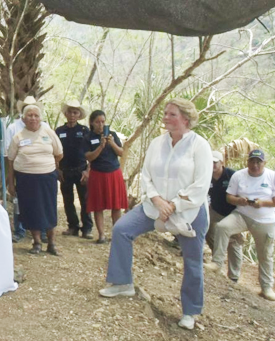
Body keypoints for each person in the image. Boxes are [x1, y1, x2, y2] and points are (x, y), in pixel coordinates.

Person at [100, 99, 212, 330]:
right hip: (154, 207)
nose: (165, 118)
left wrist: (173, 205)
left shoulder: (199, 145)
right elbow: (147, 175)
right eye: (165, 113)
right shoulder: (156, 143)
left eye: (171, 114)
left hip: (188, 212)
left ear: (185, 119)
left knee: (192, 261)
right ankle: (122, 283)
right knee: (122, 230)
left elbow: (201, 185)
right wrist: (158, 200)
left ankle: (190, 312)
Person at [206, 150, 275, 301]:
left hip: (265, 219)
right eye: (252, 161)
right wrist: (239, 201)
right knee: (222, 227)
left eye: (258, 162)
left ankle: (266, 287)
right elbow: (229, 197)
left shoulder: (271, 176)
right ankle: (217, 263)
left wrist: (262, 203)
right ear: (247, 162)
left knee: (265, 254)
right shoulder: (238, 175)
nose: (255, 165)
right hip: (242, 214)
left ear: (264, 163)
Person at [6, 104, 63, 255]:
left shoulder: (49, 133)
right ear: (23, 119)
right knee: (31, 209)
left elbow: (59, 154)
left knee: (49, 209)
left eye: (36, 115)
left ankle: (51, 243)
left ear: (40, 118)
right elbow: (10, 161)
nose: (33, 118)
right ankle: (37, 242)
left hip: (47, 177)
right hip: (25, 179)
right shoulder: (18, 137)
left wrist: (47, 164)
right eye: (29, 115)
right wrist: (11, 183)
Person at [83, 110, 128, 244]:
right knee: (98, 206)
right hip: (97, 174)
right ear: (92, 123)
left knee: (116, 205)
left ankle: (117, 234)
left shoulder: (112, 135)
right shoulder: (88, 137)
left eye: (103, 122)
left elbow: (121, 153)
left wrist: (112, 143)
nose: (101, 125)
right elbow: (88, 157)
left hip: (114, 173)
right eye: (97, 122)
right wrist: (101, 146)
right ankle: (102, 235)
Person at [203, 151, 243, 282]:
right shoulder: (206, 174)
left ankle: (234, 276)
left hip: (232, 213)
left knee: (234, 243)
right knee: (206, 229)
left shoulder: (232, 175)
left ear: (222, 163)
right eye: (210, 162)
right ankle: (217, 260)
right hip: (214, 210)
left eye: (215, 162)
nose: (212, 165)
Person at [56, 100, 93, 238]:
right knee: (67, 200)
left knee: (85, 200)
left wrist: (88, 170)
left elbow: (91, 152)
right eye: (70, 112)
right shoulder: (59, 131)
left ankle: (87, 228)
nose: (72, 115)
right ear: (65, 114)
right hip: (64, 170)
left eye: (75, 112)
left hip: (81, 170)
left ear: (79, 115)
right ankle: (72, 226)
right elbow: (54, 151)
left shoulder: (85, 131)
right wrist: (57, 169)